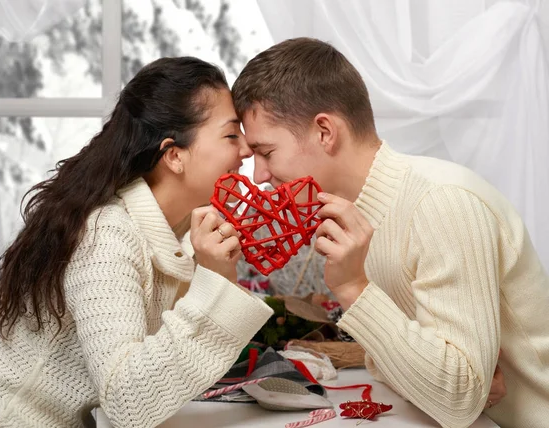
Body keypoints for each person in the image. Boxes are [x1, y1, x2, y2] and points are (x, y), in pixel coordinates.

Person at [232, 37, 549, 428]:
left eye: (266, 152)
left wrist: (353, 289)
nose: (259, 176)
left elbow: (455, 401)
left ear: (325, 131)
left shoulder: (442, 203)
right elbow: (410, 371)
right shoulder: (356, 218)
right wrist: (432, 377)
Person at [0, 57, 273, 428]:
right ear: (174, 156)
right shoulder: (108, 234)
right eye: (231, 135)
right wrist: (215, 281)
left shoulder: (180, 233)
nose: (247, 150)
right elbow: (127, 403)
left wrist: (213, 275)